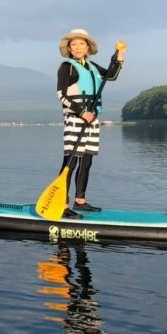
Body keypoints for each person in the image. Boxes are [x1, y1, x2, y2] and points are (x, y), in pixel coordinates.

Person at [56, 29, 124, 219]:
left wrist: (120, 55)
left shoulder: (93, 66)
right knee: (70, 161)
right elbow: (61, 95)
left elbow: (111, 75)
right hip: (76, 118)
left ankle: (80, 201)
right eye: (73, 44)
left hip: (92, 120)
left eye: (81, 44)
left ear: (87, 47)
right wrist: (81, 112)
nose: (77, 48)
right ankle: (62, 204)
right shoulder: (66, 67)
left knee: (86, 160)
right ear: (69, 48)